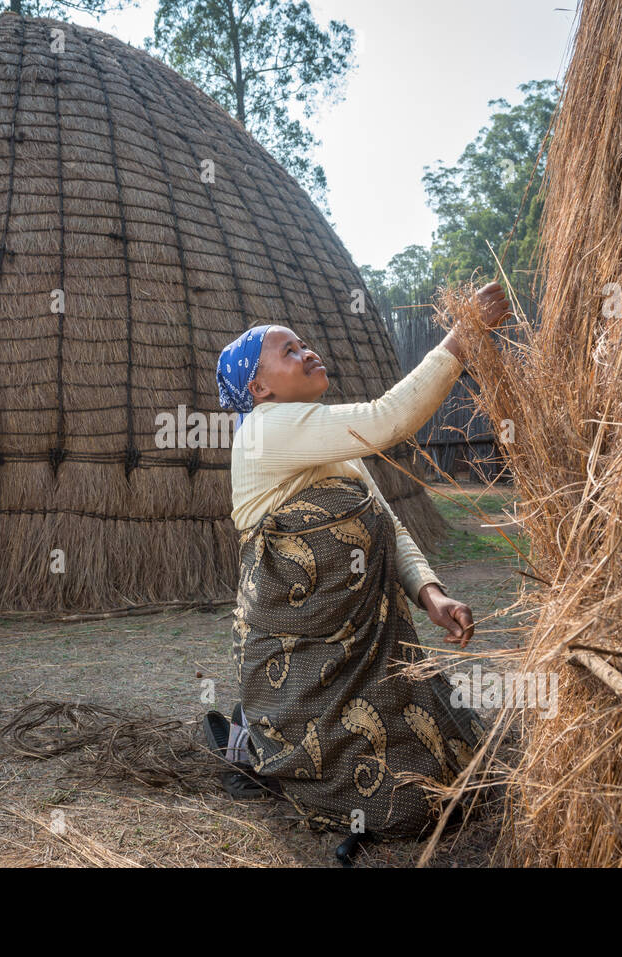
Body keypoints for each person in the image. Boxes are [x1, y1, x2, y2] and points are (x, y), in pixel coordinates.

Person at [213, 282, 511, 836]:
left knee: (453, 782)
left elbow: (385, 521)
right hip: (298, 654)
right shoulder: (262, 432)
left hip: (357, 654)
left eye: (305, 344)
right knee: (407, 811)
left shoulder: (325, 445)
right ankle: (259, 740)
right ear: (257, 388)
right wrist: (462, 337)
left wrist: (430, 593)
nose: (308, 353)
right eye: (289, 351)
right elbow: (389, 417)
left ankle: (260, 736)